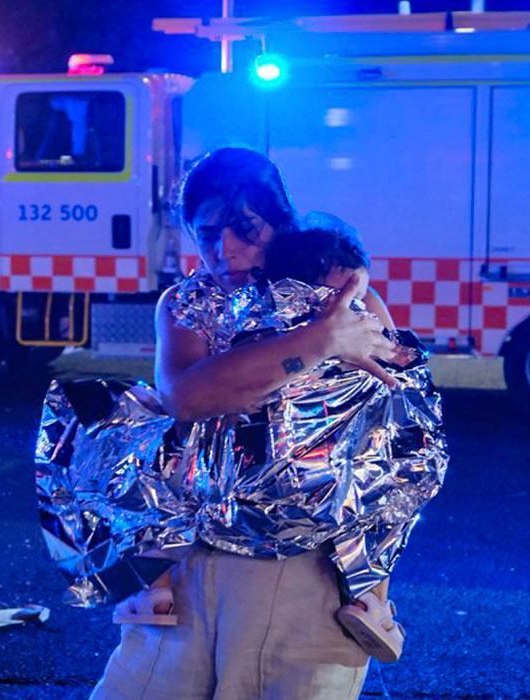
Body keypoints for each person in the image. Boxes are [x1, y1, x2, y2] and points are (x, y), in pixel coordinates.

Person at [90, 147, 407, 700]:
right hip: (191, 557)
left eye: (245, 229)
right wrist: (319, 340)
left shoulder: (341, 294)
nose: (226, 250)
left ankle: (373, 598)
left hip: (308, 565)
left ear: (281, 222)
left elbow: (384, 419)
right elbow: (188, 396)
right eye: (207, 233)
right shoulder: (186, 305)